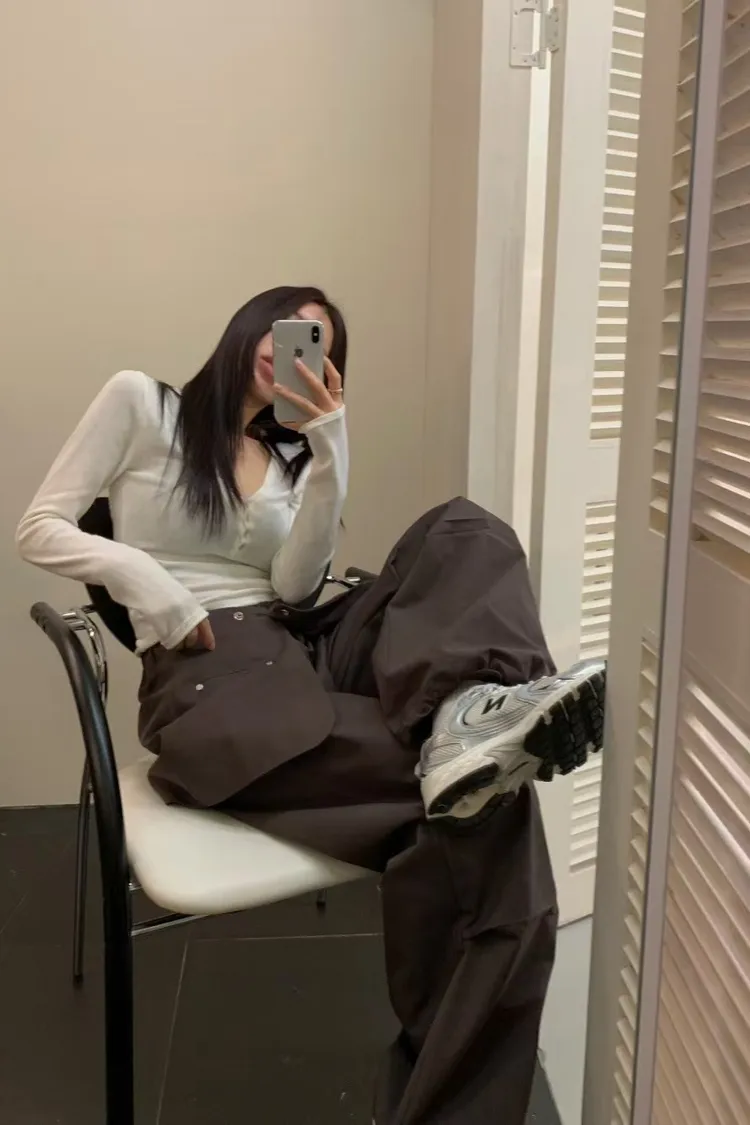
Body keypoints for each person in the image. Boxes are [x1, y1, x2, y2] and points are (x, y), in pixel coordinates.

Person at [17, 285, 605, 1125]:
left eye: (318, 342)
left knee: (464, 526)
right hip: (210, 676)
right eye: (289, 323)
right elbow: (40, 525)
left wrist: (329, 444)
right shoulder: (143, 403)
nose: (294, 344)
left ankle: (474, 706)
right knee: (492, 811)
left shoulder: (290, 460)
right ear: (249, 323)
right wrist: (150, 582)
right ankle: (451, 1097)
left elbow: (295, 587)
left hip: (303, 643)